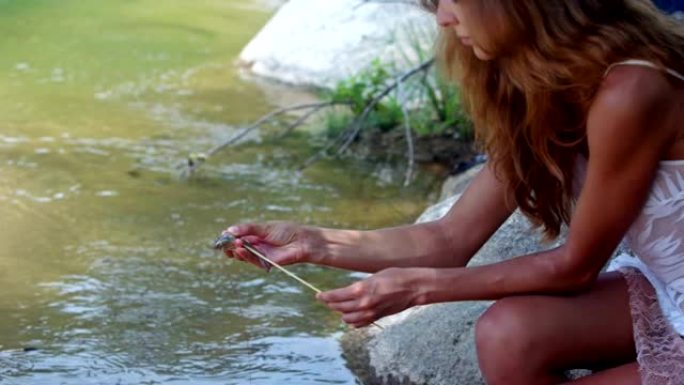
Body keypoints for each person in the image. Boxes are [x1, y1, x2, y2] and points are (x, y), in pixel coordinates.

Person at [221, 1, 684, 384]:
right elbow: (448, 239)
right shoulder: (546, 84)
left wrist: (419, 289)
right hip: (670, 287)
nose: (442, 18)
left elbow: (575, 267)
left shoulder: (633, 89)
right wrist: (311, 243)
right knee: (506, 334)